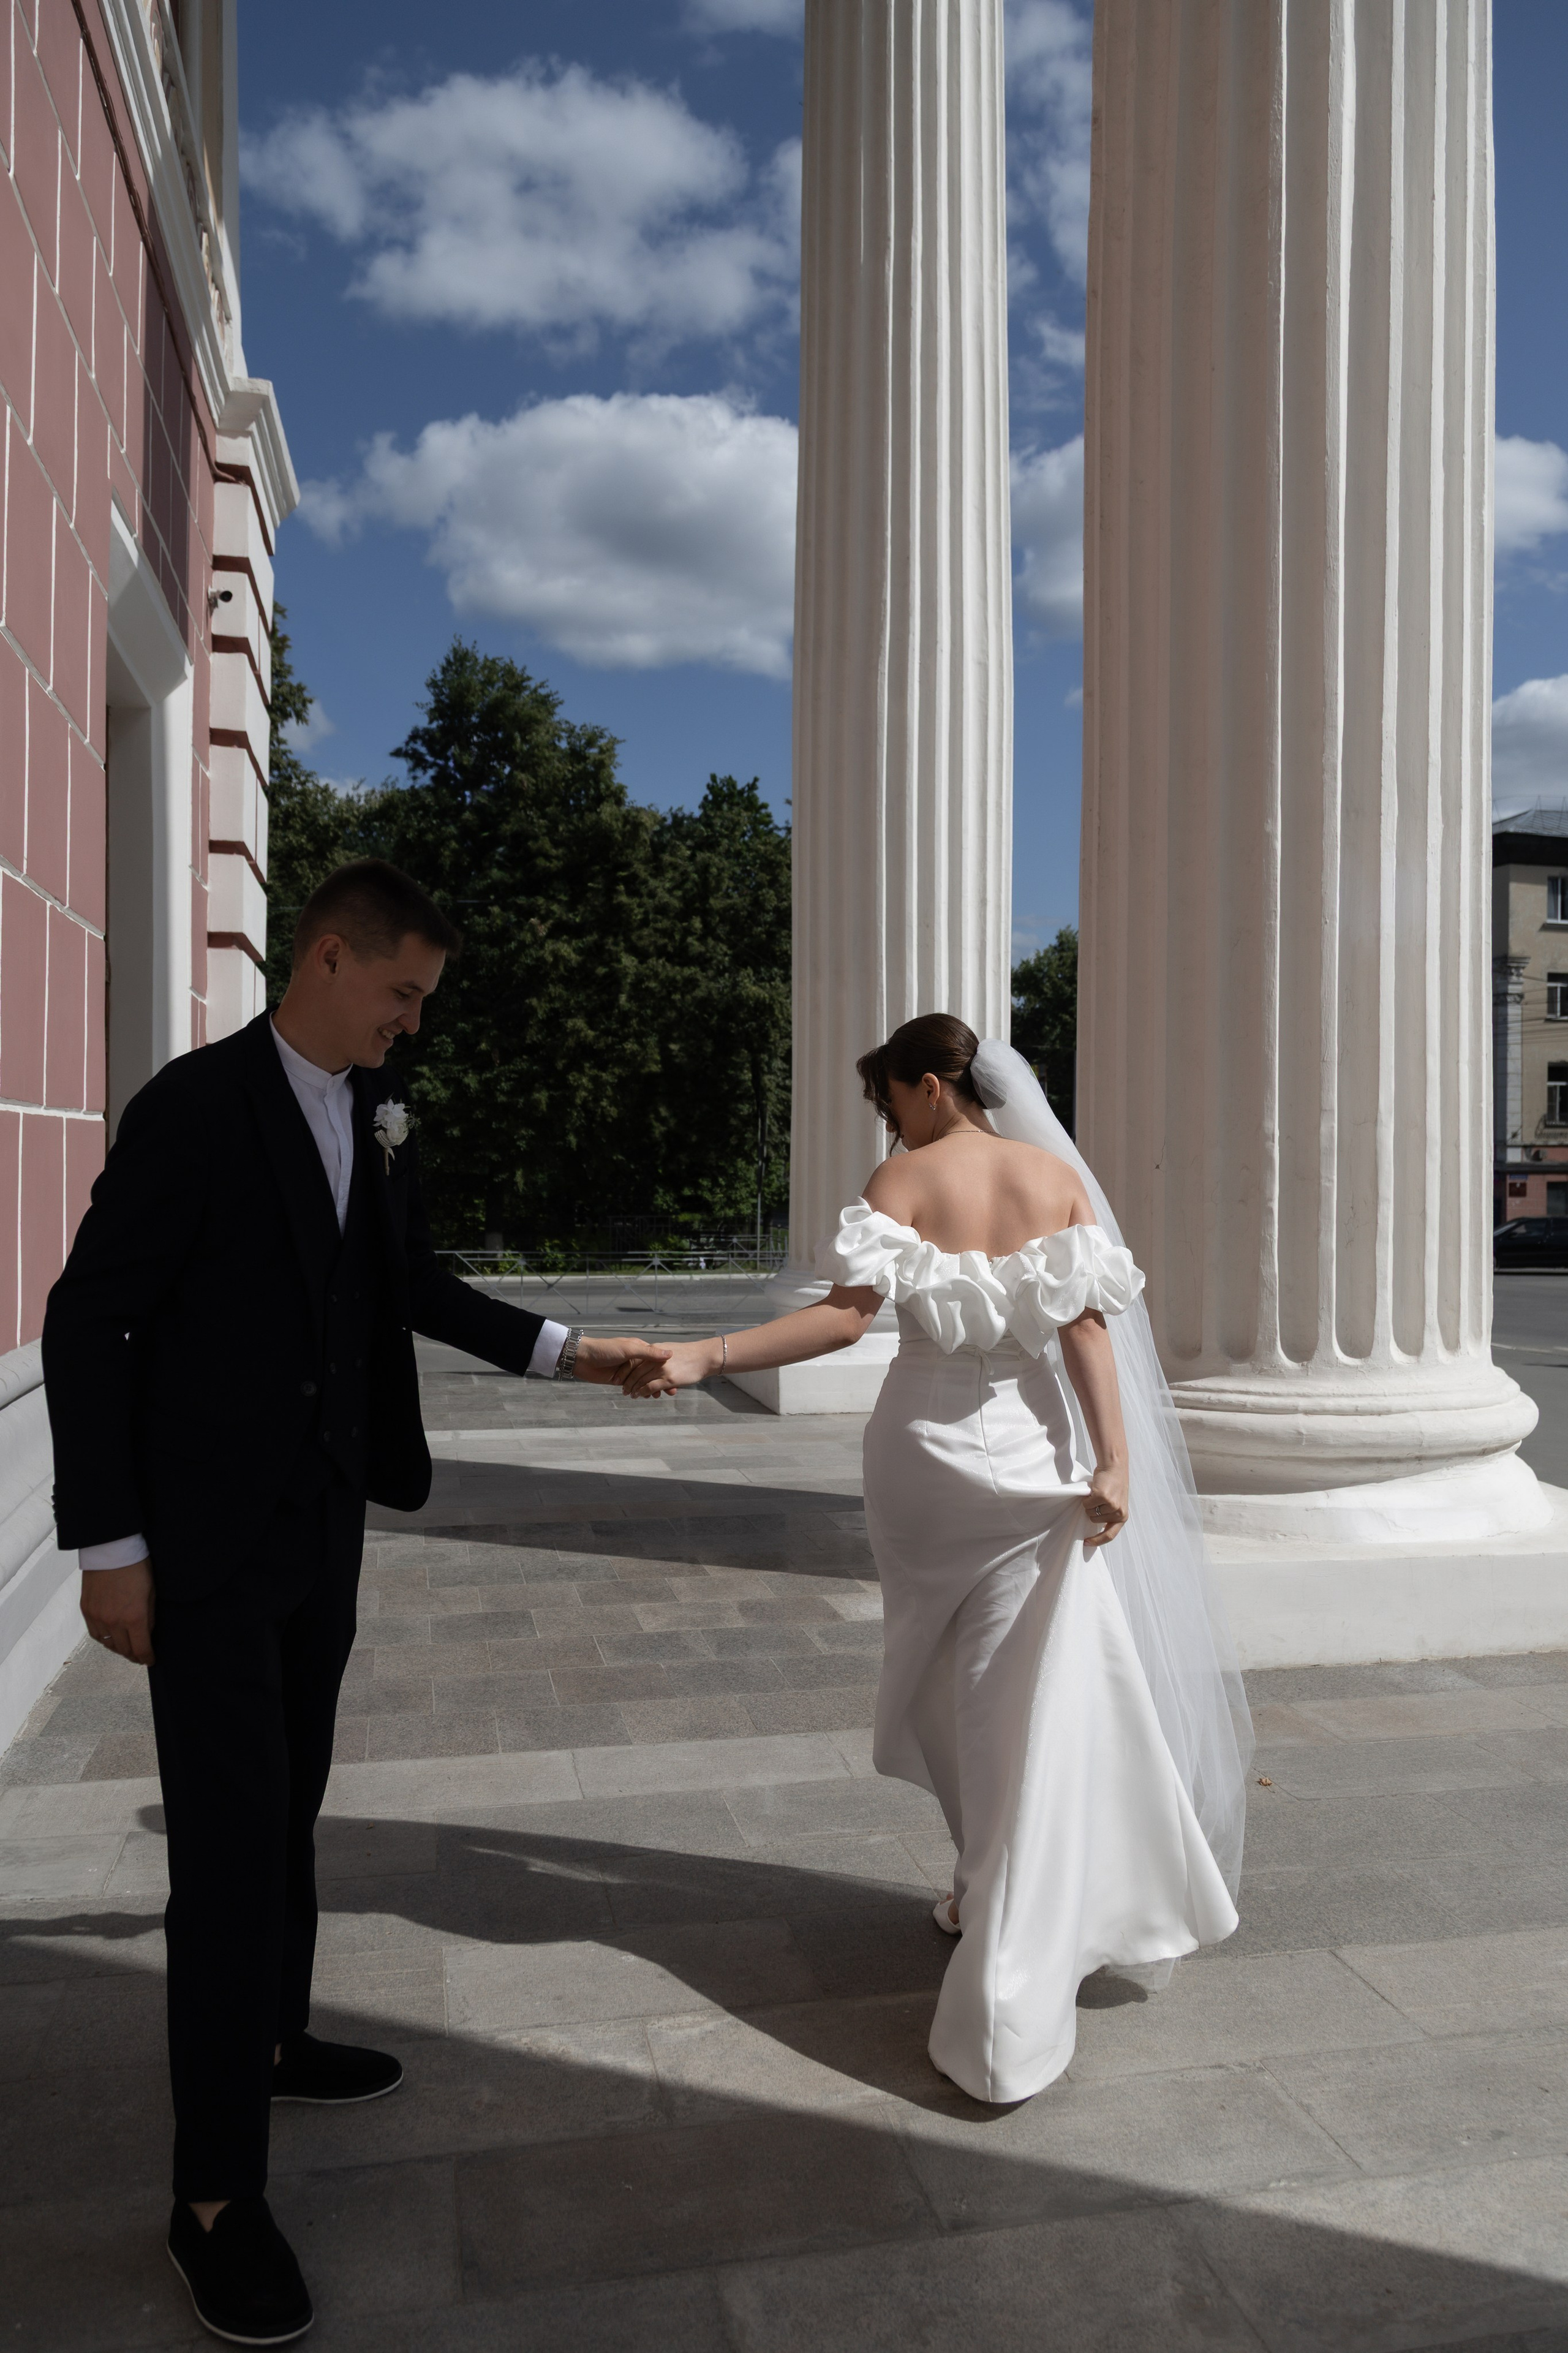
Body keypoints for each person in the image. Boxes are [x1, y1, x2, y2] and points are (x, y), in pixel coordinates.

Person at [42, 861, 669, 2345]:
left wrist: (580, 1351)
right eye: (402, 994)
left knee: (293, 1803)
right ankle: (211, 2204)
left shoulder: (379, 1121)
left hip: (321, 1532)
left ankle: (272, 2036)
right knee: (228, 1845)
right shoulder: (193, 1110)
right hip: (197, 1551)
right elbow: (89, 1318)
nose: (412, 1025)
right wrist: (108, 1545)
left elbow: (409, 1283)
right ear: (327, 957)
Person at [624, 1014, 1253, 2104]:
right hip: (1035, 1456)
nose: (891, 1122)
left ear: (928, 1085)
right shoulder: (1052, 1177)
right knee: (1026, 1699)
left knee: (939, 1694)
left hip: (920, 1464)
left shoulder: (905, 1179)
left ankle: (992, 1897)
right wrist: (1116, 1462)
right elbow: (1087, 1332)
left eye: (891, 1100)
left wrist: (703, 1353)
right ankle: (1001, 1887)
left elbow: (842, 1320)